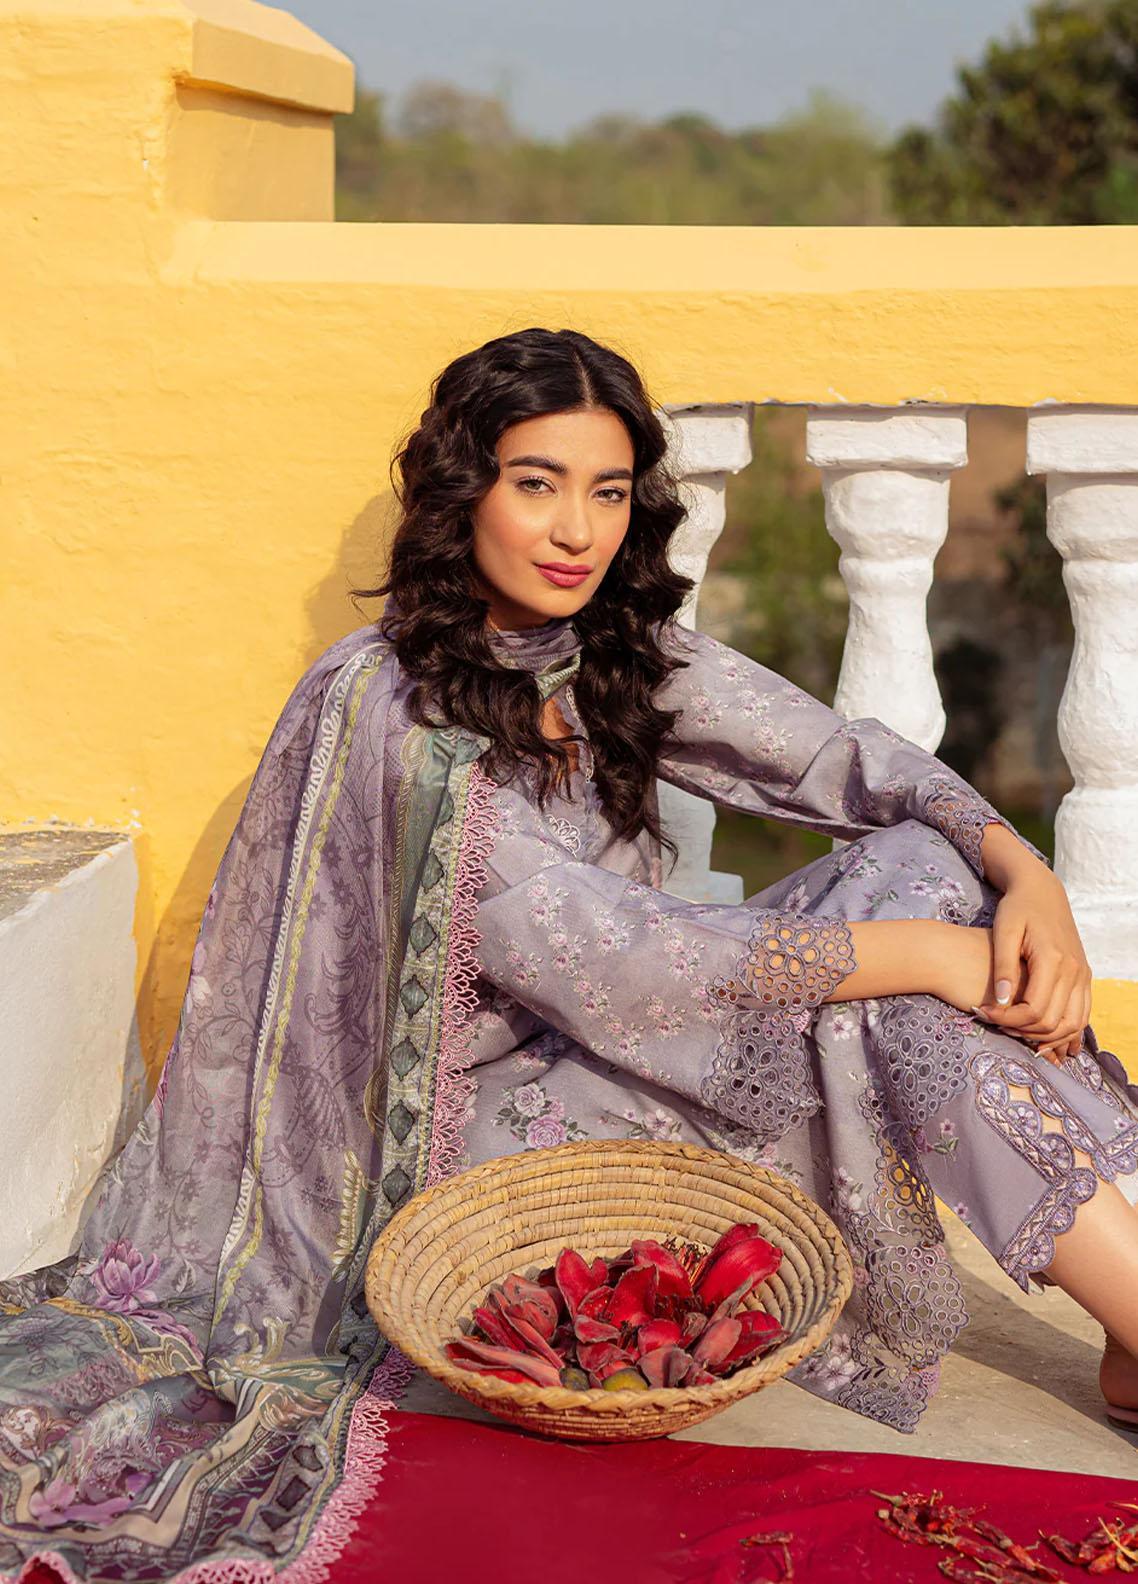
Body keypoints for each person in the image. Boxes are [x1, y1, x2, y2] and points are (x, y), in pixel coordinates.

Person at [0, 326, 1135, 1580]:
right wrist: (927, 955)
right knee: (895, 977)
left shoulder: (600, 650)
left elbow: (835, 757)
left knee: (928, 864)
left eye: (606, 492)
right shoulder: (392, 713)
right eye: (536, 484)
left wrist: (1022, 868)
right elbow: (620, 956)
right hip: (470, 1140)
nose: (575, 532)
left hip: (616, 1054)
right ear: (462, 492)